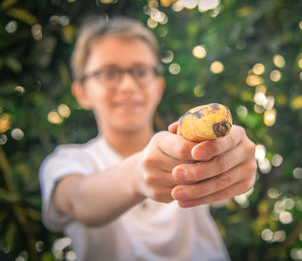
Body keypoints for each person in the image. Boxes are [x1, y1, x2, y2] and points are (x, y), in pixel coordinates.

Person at [39, 15, 257, 261]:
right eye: (108, 73)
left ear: (159, 87)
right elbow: (77, 200)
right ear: (82, 92)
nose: (128, 85)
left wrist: (236, 161)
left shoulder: (192, 149)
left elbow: (227, 182)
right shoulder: (66, 162)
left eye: (141, 71)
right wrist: (136, 176)